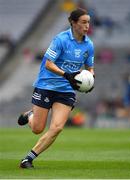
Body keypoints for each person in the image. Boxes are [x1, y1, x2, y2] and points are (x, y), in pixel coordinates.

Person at [18, 8, 95, 169]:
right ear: (73, 23)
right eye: (83, 22)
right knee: (37, 129)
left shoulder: (89, 45)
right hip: (46, 85)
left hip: (66, 90)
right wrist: (66, 74)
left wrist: (91, 79)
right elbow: (48, 63)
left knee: (57, 127)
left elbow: (90, 67)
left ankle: (28, 159)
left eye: (88, 22)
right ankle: (31, 115)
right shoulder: (60, 39)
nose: (87, 25)